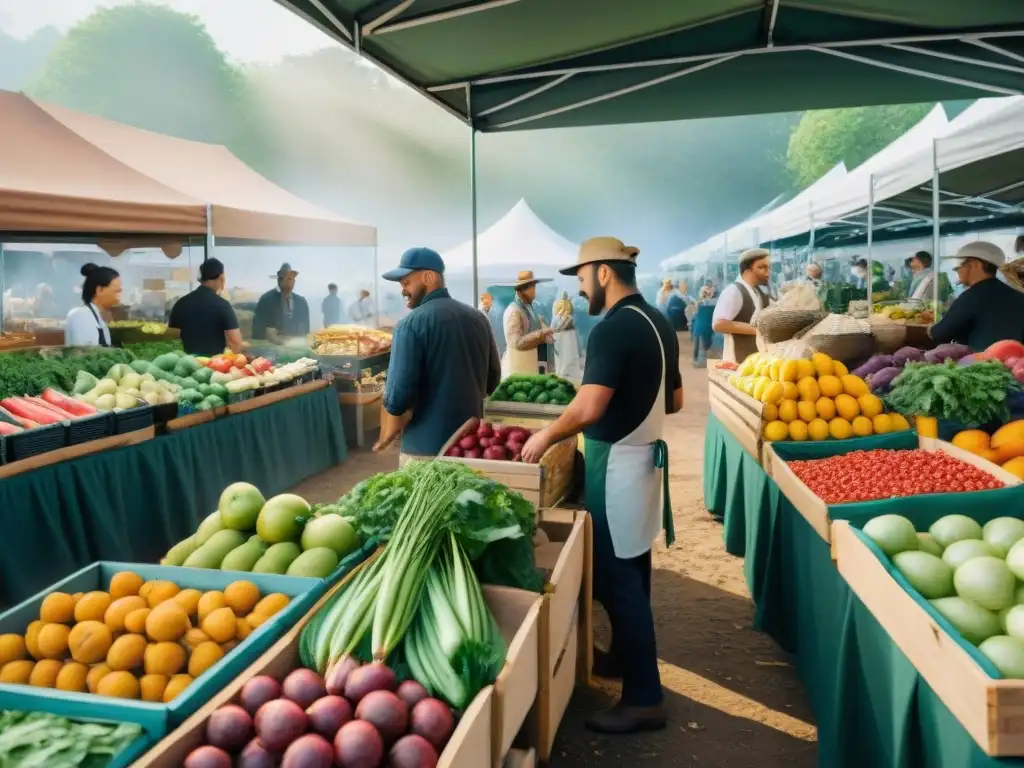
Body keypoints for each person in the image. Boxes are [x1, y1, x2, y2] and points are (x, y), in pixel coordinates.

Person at [521, 236, 681, 735]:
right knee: (635, 569)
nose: (581, 287)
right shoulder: (656, 320)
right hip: (643, 460)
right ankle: (623, 660)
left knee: (617, 580)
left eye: (583, 276)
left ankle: (644, 698)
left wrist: (546, 434)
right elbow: (673, 400)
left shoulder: (613, 329)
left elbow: (589, 408)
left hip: (616, 468)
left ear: (604, 273)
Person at [373, 247, 501, 463]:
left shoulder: (409, 325)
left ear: (428, 277)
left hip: (424, 449)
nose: (403, 290)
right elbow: (492, 382)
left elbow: (397, 399)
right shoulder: (479, 319)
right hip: (471, 446)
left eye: (406, 283)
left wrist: (388, 427)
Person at [921, 241, 1024, 351]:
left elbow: (940, 334)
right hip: (1016, 363)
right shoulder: (1019, 296)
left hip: (981, 363)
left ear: (975, 265)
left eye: (961, 264)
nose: (957, 269)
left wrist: (930, 329)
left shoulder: (971, 297)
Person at [168, 258, 243, 357]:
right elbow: (235, 342)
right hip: (214, 367)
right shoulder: (222, 305)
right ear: (221, 277)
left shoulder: (180, 303)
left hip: (185, 365)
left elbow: (171, 337)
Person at [711, 248, 772, 364]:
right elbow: (718, 324)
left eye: (769, 267)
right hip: (737, 364)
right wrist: (759, 330)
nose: (767, 272)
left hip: (756, 363)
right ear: (747, 270)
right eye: (762, 267)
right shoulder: (733, 291)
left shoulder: (758, 292)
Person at [502, 270, 555, 378]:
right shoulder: (514, 311)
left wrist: (542, 328)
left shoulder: (528, 308)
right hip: (517, 367)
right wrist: (542, 333)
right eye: (532, 288)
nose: (534, 292)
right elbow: (516, 343)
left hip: (529, 365)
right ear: (523, 290)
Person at [64, 264, 121, 347]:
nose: (119, 298)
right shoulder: (81, 316)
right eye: (116, 292)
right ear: (99, 290)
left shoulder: (98, 316)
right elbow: (86, 355)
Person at [252, 263, 310, 341]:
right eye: (283, 279)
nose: (286, 282)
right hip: (271, 347)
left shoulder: (301, 302)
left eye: (290, 279)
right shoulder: (266, 300)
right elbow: (257, 329)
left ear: (294, 281)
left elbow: (306, 329)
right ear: (278, 281)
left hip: (295, 347)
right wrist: (268, 334)